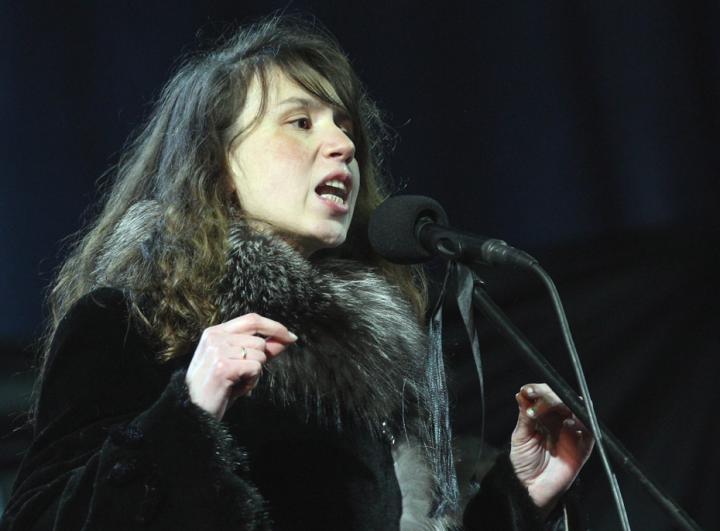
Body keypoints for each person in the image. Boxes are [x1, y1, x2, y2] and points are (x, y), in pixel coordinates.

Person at [0, 15, 593, 530]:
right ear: (218, 164)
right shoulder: (130, 322)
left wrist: (519, 498)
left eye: (343, 125)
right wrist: (186, 414)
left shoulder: (364, 361)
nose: (343, 144)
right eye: (301, 122)